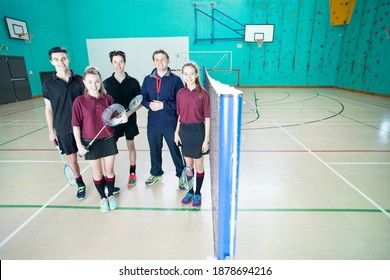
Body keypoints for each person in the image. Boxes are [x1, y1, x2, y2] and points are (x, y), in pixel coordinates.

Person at [72, 66, 128, 213]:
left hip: (108, 139)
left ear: (100, 82)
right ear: (84, 82)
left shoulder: (108, 99)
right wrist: (79, 145)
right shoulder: (79, 101)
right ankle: (103, 198)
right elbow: (76, 125)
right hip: (90, 142)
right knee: (97, 174)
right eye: (90, 81)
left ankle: (110, 196)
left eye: (97, 81)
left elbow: (115, 118)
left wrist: (122, 119)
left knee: (109, 171)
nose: (93, 85)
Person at [43, 46, 87, 200]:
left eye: (63, 58)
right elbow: (48, 109)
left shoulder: (81, 80)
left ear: (68, 59)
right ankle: (80, 183)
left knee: (93, 157)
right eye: (56, 59)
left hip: (84, 127)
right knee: (73, 159)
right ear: (51, 62)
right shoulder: (48, 84)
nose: (60, 62)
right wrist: (51, 130)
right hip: (63, 128)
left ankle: (100, 181)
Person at [141, 49, 186, 189]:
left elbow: (181, 102)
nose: (160, 62)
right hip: (153, 122)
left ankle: (181, 175)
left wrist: (164, 105)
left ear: (168, 60)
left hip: (170, 122)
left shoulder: (176, 80)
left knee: (174, 149)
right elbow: (143, 98)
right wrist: (149, 105)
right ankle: (156, 173)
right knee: (154, 148)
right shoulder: (147, 79)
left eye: (163, 59)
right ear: (154, 62)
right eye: (157, 59)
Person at [174, 62, 210, 208]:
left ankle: (198, 193)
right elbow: (180, 115)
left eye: (191, 73)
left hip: (198, 132)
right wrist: (176, 132)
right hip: (184, 132)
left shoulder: (203, 94)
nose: (188, 77)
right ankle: (190, 191)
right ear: (182, 75)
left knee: (199, 166)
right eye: (185, 74)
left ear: (196, 75)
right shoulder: (180, 93)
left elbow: (207, 118)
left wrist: (206, 140)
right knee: (188, 166)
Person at [103, 50, 141, 187]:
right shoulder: (106, 84)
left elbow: (139, 102)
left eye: (121, 62)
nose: (118, 65)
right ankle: (109, 176)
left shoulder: (133, 82)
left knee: (131, 145)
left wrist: (128, 114)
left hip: (129, 119)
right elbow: (103, 104)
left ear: (124, 62)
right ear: (111, 63)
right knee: (111, 147)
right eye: (115, 62)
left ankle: (132, 172)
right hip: (114, 122)